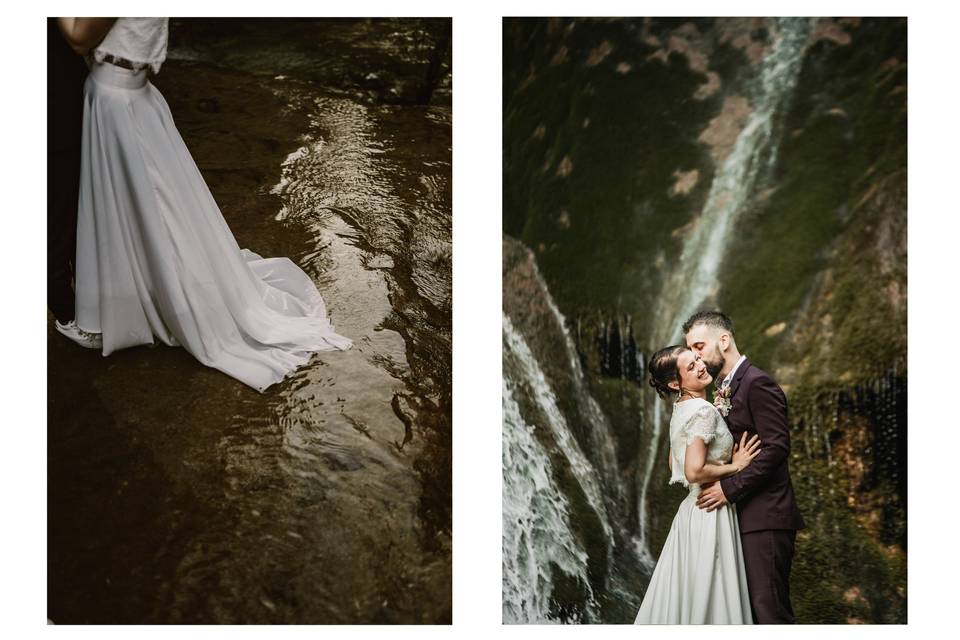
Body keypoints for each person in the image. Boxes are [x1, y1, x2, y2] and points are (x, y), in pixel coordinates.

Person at [55, 18, 352, 392]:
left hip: (119, 96)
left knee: (152, 212)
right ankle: (141, 295)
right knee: (139, 209)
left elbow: (78, 36)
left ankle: (155, 301)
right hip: (126, 91)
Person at [683, 310, 805, 623]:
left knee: (770, 612)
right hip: (738, 519)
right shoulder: (721, 388)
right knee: (748, 615)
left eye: (698, 346)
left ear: (723, 340)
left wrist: (728, 488)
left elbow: (777, 447)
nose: (693, 355)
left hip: (765, 515)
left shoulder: (757, 383)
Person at [634, 344, 760, 624]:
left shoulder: (681, 409)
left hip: (692, 510)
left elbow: (672, 463)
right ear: (674, 383)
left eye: (697, 359)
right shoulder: (702, 411)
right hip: (711, 510)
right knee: (714, 594)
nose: (701, 366)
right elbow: (692, 471)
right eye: (690, 367)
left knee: (690, 594)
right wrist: (735, 466)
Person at [48, 18, 101, 348]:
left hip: (64, 98)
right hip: (55, 105)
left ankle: (85, 303)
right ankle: (67, 313)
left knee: (73, 209)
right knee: (58, 216)